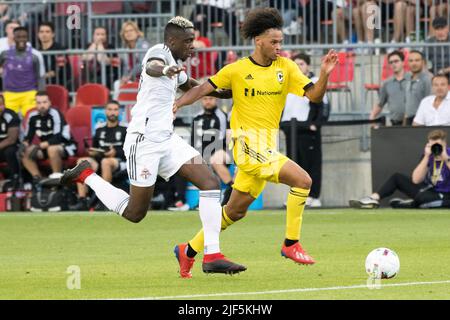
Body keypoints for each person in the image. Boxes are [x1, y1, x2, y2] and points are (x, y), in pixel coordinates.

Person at [60, 16, 245, 277]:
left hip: (167, 139)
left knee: (210, 182)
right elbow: (152, 68)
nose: (192, 46)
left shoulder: (177, 65)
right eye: (188, 41)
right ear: (172, 40)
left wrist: (223, 92)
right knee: (136, 213)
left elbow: (192, 86)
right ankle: (87, 176)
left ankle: (212, 254)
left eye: (193, 40)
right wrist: (166, 70)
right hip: (143, 140)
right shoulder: (159, 53)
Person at [173, 8, 338, 277]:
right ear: (258, 40)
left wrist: (325, 74)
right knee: (303, 181)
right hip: (247, 145)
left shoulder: (287, 67)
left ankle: (187, 250)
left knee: (234, 212)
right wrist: (178, 103)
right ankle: (291, 243)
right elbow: (204, 88)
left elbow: (315, 97)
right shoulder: (236, 70)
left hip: (267, 146)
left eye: (281, 42)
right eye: (274, 42)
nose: (279, 47)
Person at [349, 129, 450, 209]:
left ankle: (414, 203)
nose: (436, 148)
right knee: (397, 177)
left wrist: (446, 160)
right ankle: (373, 198)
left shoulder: (448, 154)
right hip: (430, 191)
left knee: (425, 198)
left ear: (444, 144)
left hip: (446, 195)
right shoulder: (428, 155)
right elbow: (416, 179)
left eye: (438, 145)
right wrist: (426, 157)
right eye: (433, 145)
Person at [280, 53, 330, 208]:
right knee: (294, 165)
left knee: (311, 163)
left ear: (308, 65)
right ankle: (296, 196)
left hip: (308, 130)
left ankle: (313, 196)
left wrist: (316, 124)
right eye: (296, 64)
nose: (299, 67)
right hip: (290, 129)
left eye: (301, 64)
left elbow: (324, 106)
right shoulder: (288, 84)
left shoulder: (314, 82)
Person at [71, 101, 127, 211]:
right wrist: (93, 152)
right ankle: (82, 199)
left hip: (120, 161)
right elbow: (95, 148)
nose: (112, 112)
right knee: (82, 162)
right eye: (110, 109)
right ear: (105, 111)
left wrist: (115, 152)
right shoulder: (99, 129)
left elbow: (130, 151)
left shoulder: (125, 129)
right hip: (100, 159)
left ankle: (103, 200)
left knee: (106, 162)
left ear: (119, 112)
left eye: (115, 110)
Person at [21, 91, 77, 182]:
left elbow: (58, 137)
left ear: (50, 102)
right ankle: (39, 180)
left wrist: (38, 146)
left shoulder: (55, 113)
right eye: (39, 103)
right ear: (35, 104)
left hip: (66, 146)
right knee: (25, 152)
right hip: (46, 147)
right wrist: (24, 145)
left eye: (44, 102)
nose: (42, 105)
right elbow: (28, 136)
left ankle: (57, 179)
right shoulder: (32, 116)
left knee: (52, 149)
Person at [191, 96, 231, 204]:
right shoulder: (197, 117)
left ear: (216, 100)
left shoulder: (221, 116)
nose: (208, 101)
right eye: (205, 99)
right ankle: (180, 200)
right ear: (201, 100)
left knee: (214, 160)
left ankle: (231, 188)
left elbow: (223, 139)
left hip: (222, 150)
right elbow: (194, 141)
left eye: (211, 98)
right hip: (203, 152)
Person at [0, 26, 45, 116]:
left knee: (30, 119)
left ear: (27, 38)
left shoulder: (36, 54)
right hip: (9, 93)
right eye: (18, 37)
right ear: (14, 37)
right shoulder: (4, 54)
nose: (21, 39)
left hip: (30, 93)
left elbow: (41, 76)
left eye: (24, 37)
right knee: (9, 121)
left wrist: (41, 95)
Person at [369, 50, 408, 126]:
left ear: (403, 63)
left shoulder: (412, 79)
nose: (393, 64)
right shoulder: (387, 83)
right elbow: (380, 103)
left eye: (396, 61)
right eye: (391, 62)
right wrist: (372, 117)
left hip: (412, 124)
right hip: (395, 123)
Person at [37, 21, 72, 86]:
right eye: (41, 32)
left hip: (58, 85)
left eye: (47, 32)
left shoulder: (60, 49)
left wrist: (43, 76)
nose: (44, 34)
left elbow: (60, 71)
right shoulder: (37, 51)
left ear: (53, 34)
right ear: (38, 34)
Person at [404, 50, 432, 125]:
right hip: (409, 120)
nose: (414, 63)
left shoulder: (428, 79)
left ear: (422, 62)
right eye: (411, 61)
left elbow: (430, 103)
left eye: (417, 60)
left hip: (421, 122)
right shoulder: (408, 77)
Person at [0, 94, 20, 188]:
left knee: (10, 151)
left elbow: (12, 139)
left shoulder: (11, 115)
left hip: (13, 146)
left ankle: (15, 178)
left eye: (1, 104)